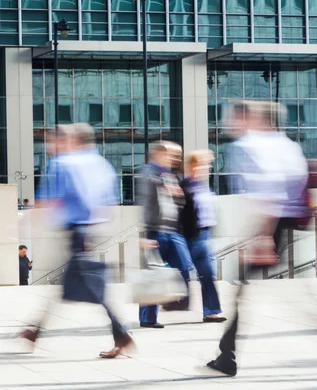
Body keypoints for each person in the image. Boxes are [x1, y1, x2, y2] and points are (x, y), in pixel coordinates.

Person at [205, 100, 310, 376]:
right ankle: (226, 355)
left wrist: (263, 238)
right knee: (249, 292)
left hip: (271, 227)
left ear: (246, 118)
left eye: (232, 117)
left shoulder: (249, 146)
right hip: (284, 224)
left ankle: (227, 357)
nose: (227, 123)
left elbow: (270, 191)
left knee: (258, 294)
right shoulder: (287, 143)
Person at [21, 123, 134, 359]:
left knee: (86, 287)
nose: (50, 146)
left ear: (68, 141)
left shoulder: (62, 163)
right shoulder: (100, 163)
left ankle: (121, 335)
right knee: (70, 285)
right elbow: (109, 203)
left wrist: (31, 222)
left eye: (53, 141)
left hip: (74, 231)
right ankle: (35, 331)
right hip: (88, 230)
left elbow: (48, 201)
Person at [137, 141, 195, 328]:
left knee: (185, 266)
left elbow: (178, 202)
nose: (176, 159)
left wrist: (177, 194)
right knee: (153, 275)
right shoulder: (149, 172)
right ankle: (148, 318)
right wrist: (145, 235)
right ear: (160, 154)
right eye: (173, 155)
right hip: (155, 231)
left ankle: (172, 302)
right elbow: (147, 203)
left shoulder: (169, 174)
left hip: (172, 230)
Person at [179, 150, 226, 322]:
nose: (207, 168)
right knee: (185, 272)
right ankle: (176, 301)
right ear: (193, 166)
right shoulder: (183, 187)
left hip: (203, 235)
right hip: (191, 237)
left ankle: (211, 310)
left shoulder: (203, 186)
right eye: (203, 164)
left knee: (206, 274)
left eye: (208, 165)